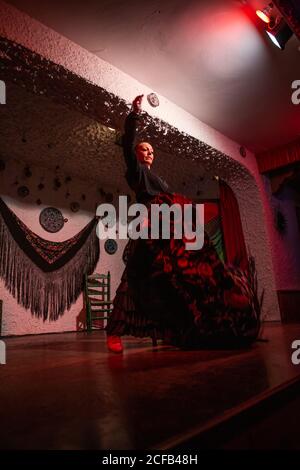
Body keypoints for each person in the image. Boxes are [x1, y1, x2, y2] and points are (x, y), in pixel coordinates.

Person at [106, 95, 260, 353]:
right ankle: (114, 332)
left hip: (170, 227)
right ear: (136, 153)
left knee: (180, 274)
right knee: (137, 274)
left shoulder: (160, 180)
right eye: (145, 149)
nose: (150, 153)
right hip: (151, 227)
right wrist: (134, 114)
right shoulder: (137, 172)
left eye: (152, 151)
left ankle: (189, 326)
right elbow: (128, 144)